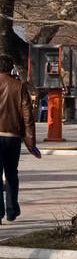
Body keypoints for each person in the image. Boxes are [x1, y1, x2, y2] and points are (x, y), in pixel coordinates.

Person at [0, 54, 41, 223]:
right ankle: (11, 209)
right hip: (13, 136)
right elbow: (27, 117)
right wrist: (30, 142)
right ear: (11, 68)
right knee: (11, 174)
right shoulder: (18, 87)